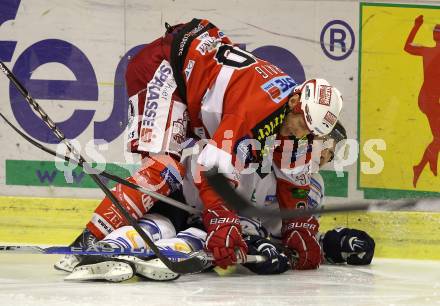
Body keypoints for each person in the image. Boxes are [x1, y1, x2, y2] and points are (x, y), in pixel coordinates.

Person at [56, 18, 343, 276]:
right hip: (166, 69)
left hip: (196, 80)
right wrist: (222, 219)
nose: (303, 135)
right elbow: (213, 164)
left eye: (313, 133)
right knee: (163, 169)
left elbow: (293, 176)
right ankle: (89, 240)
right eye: (304, 125)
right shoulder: (256, 107)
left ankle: (130, 235)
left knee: (181, 171)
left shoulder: (294, 117)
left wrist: (300, 226)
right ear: (295, 103)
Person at [404, 15, 440, 187]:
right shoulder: (430, 52)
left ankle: (424, 165)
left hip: (426, 99)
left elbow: (407, 46)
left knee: (438, 136)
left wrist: (417, 25)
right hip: (429, 101)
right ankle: (423, 165)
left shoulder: (427, 51)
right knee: (438, 137)